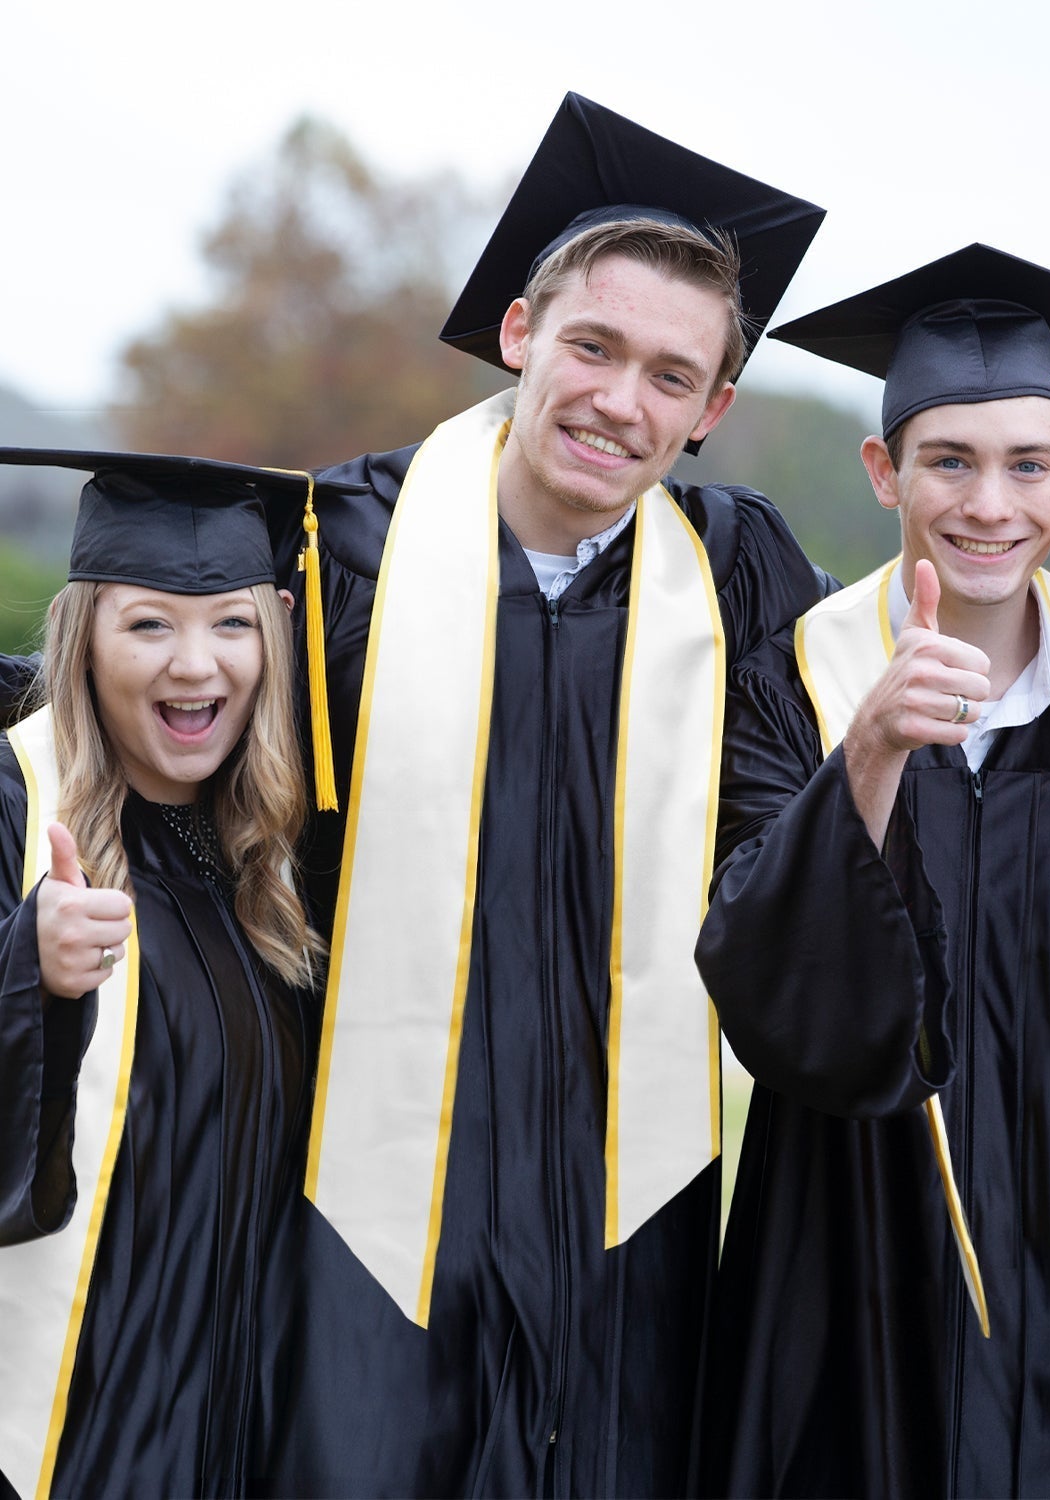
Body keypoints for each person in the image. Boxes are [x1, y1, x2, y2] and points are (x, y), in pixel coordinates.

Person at [255, 95, 830, 1497]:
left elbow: (874, 746)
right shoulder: (344, 548)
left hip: (630, 1196)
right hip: (372, 1180)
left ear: (711, 412)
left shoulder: (738, 571)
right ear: (520, 335)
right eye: (592, 346)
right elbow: (148, 709)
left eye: (669, 375)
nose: (619, 401)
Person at [693, 246, 1050, 1498]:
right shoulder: (794, 679)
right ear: (885, 472)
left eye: (1030, 464)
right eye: (950, 462)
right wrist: (867, 747)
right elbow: (755, 968)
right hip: (853, 1248)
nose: (993, 504)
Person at [0, 451, 348, 1499]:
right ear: (84, 637)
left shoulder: (268, 863)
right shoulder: (16, 806)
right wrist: (30, 969)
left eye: (232, 624)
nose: (196, 666)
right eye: (149, 624)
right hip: (70, 1421)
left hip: (233, 1415)